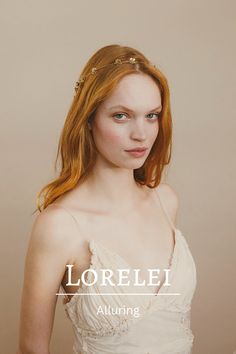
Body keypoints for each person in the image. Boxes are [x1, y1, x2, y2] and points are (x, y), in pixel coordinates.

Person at [17, 44, 197, 354]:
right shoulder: (60, 226)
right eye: (121, 116)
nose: (141, 134)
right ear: (88, 119)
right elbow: (31, 349)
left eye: (151, 116)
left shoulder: (166, 202)